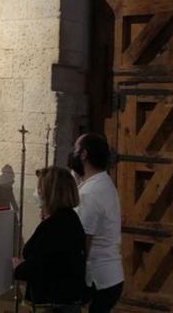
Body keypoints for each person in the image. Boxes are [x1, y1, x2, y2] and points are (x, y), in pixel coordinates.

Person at [12, 167, 86, 312]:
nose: (37, 193)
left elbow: (41, 265)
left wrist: (19, 268)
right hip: (64, 300)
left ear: (50, 193)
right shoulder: (68, 218)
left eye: (39, 189)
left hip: (53, 303)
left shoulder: (56, 225)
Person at [68, 133, 123, 313]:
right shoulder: (103, 182)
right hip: (110, 275)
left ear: (83, 154)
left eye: (75, 149)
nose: (72, 154)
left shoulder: (90, 192)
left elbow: (84, 242)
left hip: (98, 279)